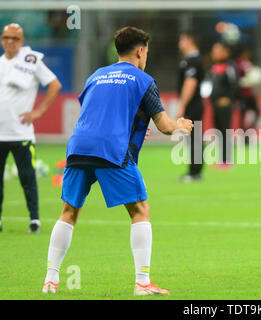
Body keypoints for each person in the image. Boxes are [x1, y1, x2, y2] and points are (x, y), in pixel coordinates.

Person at [41, 26, 193, 296]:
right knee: (140, 211)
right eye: (146, 51)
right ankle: (142, 282)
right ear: (140, 51)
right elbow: (165, 126)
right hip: (111, 149)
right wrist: (180, 125)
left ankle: (50, 279)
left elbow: (97, 111)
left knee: (68, 212)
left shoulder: (96, 76)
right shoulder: (142, 79)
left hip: (78, 146)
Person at [0, 23, 62, 233]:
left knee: (28, 178)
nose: (10, 41)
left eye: (15, 38)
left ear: (22, 41)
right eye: (6, 37)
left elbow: (54, 84)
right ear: (1, 40)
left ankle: (34, 220)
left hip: (21, 133)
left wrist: (39, 112)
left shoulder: (31, 62)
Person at [176, 31, 205, 182]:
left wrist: (182, 105)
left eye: (182, 40)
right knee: (193, 138)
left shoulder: (193, 60)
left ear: (189, 40)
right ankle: (195, 171)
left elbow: (190, 83)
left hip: (193, 104)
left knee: (194, 138)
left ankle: (194, 172)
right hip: (194, 104)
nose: (179, 43)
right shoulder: (190, 60)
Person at [210, 41, 239, 169]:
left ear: (225, 52)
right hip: (215, 105)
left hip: (225, 105)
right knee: (219, 132)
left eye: (217, 50)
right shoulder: (214, 67)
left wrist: (228, 99)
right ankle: (221, 159)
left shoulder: (230, 66)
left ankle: (227, 161)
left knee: (225, 131)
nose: (214, 53)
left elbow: (235, 84)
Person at [234, 46, 261, 132]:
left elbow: (252, 79)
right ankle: (245, 133)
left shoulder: (246, 64)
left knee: (256, 112)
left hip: (249, 94)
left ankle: (249, 129)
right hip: (242, 94)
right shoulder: (238, 64)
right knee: (243, 115)